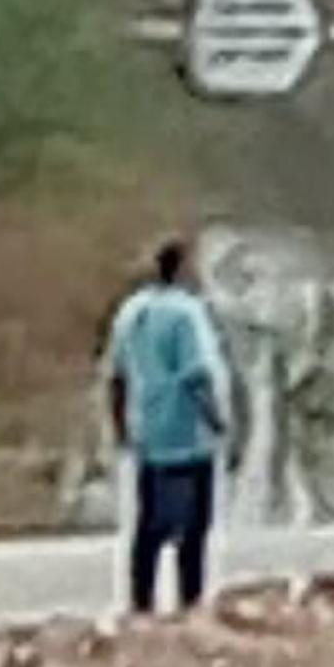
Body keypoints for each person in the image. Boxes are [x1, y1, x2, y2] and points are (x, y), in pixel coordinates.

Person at [106, 236, 231, 614]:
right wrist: (218, 423)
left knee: (149, 527)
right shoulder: (187, 314)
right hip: (188, 436)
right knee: (193, 530)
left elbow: (116, 376)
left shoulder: (131, 311)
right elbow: (195, 376)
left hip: (148, 435)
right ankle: (189, 605)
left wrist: (120, 427)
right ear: (184, 269)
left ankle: (140, 603)